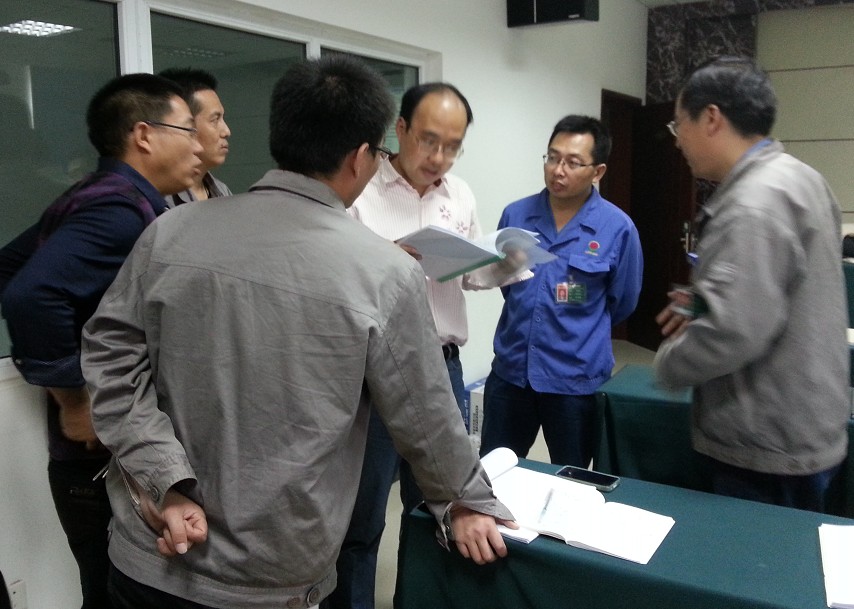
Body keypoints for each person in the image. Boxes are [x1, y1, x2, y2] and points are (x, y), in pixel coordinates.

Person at [80, 56, 514, 609]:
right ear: (361, 157)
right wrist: (466, 500)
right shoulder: (383, 271)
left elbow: (109, 359)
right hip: (274, 578)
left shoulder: (168, 232)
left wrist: (163, 476)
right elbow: (425, 413)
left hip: (151, 559)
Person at [0, 73, 202, 609]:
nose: (199, 144)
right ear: (144, 134)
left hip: (107, 449)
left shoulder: (104, 195)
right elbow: (28, 294)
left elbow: (10, 268)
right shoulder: (117, 210)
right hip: (102, 455)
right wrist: (74, 397)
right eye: (187, 129)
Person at [329, 82, 504, 609]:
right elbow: (333, 278)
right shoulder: (360, 189)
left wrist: (502, 265)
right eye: (429, 141)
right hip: (375, 372)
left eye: (453, 146)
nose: (439, 157)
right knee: (363, 516)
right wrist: (385, 257)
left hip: (443, 367)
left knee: (440, 507)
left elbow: (470, 276)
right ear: (400, 129)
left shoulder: (460, 194)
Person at [653, 56, 849, 512]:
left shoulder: (751, 203)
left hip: (767, 440)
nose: (678, 140)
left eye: (679, 125)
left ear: (711, 118)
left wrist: (668, 364)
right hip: (807, 419)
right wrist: (706, 299)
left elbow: (733, 332)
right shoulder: (801, 177)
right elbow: (783, 287)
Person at [479, 115, 643, 468]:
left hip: (575, 382)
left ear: (598, 171)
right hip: (511, 374)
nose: (558, 170)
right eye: (552, 158)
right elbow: (509, 285)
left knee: (572, 479)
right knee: (493, 475)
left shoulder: (617, 228)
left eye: (572, 162)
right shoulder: (515, 216)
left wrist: (574, 310)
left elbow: (622, 301)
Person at [158, 67, 232, 204]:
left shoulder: (222, 191)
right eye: (215, 120)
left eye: (222, 118)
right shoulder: (160, 197)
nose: (226, 131)